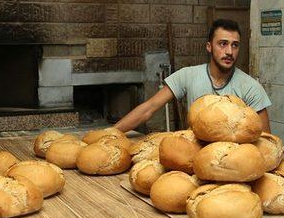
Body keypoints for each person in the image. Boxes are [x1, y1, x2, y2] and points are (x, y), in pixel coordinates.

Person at [115, 19, 272, 133]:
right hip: (194, 158)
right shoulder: (188, 75)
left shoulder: (251, 88)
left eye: (235, 45)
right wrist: (111, 133)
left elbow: (265, 140)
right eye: (223, 44)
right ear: (209, 47)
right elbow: (148, 108)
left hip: (231, 163)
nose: (229, 51)